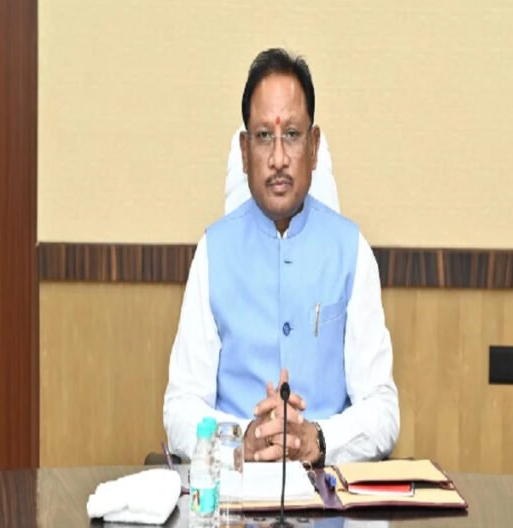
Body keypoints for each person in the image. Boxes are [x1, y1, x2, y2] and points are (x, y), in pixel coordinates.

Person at [162, 48, 399, 466]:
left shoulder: (352, 251)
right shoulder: (212, 253)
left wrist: (317, 439)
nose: (277, 159)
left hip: (325, 487)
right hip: (236, 487)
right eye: (263, 137)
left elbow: (383, 410)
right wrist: (243, 440)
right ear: (243, 150)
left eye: (291, 134)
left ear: (314, 146)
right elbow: (179, 408)